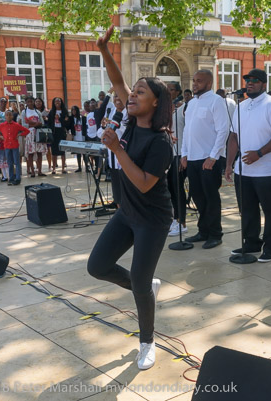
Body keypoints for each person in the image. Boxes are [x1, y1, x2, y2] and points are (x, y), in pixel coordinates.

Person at [87, 25, 173, 371]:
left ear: (156, 102)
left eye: (140, 92)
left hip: (152, 218)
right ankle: (146, 285)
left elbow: (144, 183)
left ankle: (147, 342)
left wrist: (116, 149)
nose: (131, 96)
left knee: (138, 281)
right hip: (127, 213)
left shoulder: (161, 142)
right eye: (132, 92)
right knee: (97, 267)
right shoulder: (132, 122)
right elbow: (117, 79)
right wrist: (104, 49)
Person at [225, 68, 271, 263]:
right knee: (247, 210)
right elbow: (233, 137)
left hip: (268, 170)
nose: (250, 83)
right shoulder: (241, 106)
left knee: (270, 211)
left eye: (255, 80)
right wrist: (229, 164)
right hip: (243, 170)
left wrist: (259, 153)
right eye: (247, 80)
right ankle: (252, 242)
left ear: (264, 84)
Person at [181, 69, 229, 249]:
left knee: (211, 197)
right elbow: (187, 130)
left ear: (209, 83)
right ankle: (203, 231)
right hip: (192, 158)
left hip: (209, 159)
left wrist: (213, 156)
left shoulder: (216, 101)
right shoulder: (191, 103)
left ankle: (215, 234)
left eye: (199, 81)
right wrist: (184, 153)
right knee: (197, 196)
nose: (194, 84)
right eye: (194, 80)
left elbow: (223, 130)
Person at [167, 82, 187, 236]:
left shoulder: (184, 109)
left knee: (178, 188)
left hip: (180, 153)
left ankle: (182, 222)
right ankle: (175, 218)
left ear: (178, 92)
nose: (168, 92)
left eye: (171, 90)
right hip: (168, 154)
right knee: (171, 188)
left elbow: (188, 132)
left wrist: (185, 155)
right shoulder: (166, 109)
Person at [0, 110, 29, 185]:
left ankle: (18, 178)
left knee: (17, 162)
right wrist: (0, 136)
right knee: (9, 163)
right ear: (5, 116)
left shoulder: (16, 125)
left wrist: (19, 135)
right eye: (7, 115)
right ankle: (11, 178)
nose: (8, 116)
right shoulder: (2, 125)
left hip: (15, 145)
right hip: (7, 146)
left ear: (12, 116)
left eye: (10, 115)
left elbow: (26, 131)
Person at [18, 95, 47, 177]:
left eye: (31, 101)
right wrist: (34, 124)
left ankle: (40, 170)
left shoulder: (37, 112)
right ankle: (32, 171)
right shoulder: (24, 112)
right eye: (28, 102)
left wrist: (34, 123)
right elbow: (24, 124)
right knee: (30, 152)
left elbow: (42, 123)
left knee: (39, 152)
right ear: (26, 103)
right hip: (29, 133)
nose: (30, 103)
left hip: (38, 133)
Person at [47, 97, 69, 174]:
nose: (57, 102)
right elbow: (49, 122)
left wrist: (59, 118)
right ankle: (53, 168)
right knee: (54, 151)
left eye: (59, 101)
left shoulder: (64, 111)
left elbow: (66, 123)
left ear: (61, 102)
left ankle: (63, 168)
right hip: (54, 132)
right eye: (56, 101)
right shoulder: (52, 112)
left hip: (61, 132)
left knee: (62, 151)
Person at [69, 105, 90, 173]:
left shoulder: (82, 118)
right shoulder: (71, 118)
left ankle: (87, 167)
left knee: (84, 153)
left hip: (82, 137)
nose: (73, 111)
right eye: (72, 110)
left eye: (74, 110)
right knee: (78, 153)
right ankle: (79, 167)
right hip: (75, 137)